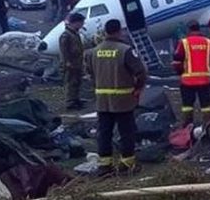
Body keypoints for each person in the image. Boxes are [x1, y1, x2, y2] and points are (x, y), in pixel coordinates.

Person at [86, 19, 147, 176]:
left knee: (104, 132)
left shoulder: (94, 51)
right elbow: (140, 71)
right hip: (123, 100)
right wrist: (138, 88)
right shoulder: (125, 50)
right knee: (126, 131)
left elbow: (90, 73)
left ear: (106, 32)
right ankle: (127, 163)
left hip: (102, 101)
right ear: (119, 31)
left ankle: (104, 166)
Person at [172, 20, 210, 127]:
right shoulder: (208, 42)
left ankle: (188, 126)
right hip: (205, 79)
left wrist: (179, 71)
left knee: (187, 106)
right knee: (206, 105)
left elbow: (177, 59)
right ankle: (209, 125)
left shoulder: (184, 42)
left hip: (187, 80)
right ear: (199, 28)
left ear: (188, 29)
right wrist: (209, 63)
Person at [59, 12, 86, 110]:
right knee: (71, 83)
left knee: (77, 82)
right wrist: (67, 63)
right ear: (75, 22)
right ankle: (70, 102)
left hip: (77, 62)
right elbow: (64, 51)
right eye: (81, 23)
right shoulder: (66, 35)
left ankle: (76, 99)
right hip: (71, 63)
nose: (82, 25)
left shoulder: (75, 33)